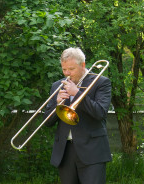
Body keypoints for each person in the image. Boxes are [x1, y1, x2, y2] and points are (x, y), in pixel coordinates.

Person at [45, 47, 112, 184]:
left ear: (83, 65)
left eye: (71, 69)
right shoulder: (57, 86)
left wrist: (77, 94)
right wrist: (57, 104)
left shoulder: (101, 82)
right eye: (64, 70)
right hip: (65, 152)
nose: (67, 74)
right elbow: (47, 122)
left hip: (92, 150)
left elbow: (100, 113)